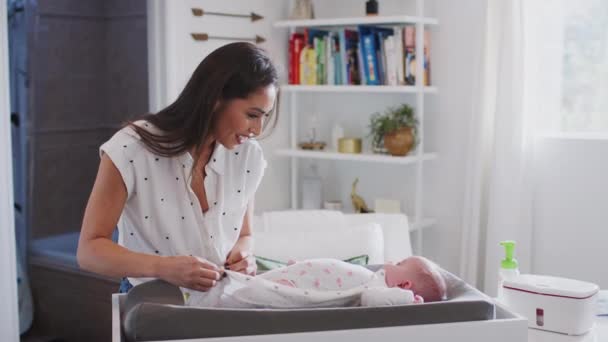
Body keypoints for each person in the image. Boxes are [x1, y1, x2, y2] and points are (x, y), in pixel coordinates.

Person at [77, 42, 279, 293]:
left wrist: (244, 256)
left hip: (221, 298)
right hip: (152, 299)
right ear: (216, 99)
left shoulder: (247, 155)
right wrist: (163, 267)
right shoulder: (131, 149)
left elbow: (244, 235)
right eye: (252, 115)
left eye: (264, 117)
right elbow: (89, 250)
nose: (257, 130)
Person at [186, 256, 447, 308]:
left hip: (298, 287)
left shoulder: (378, 288)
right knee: (252, 282)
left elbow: (370, 300)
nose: (392, 262)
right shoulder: (375, 276)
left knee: (253, 292)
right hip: (305, 275)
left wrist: (409, 302)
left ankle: (213, 301)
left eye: (400, 265)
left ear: (403, 287)